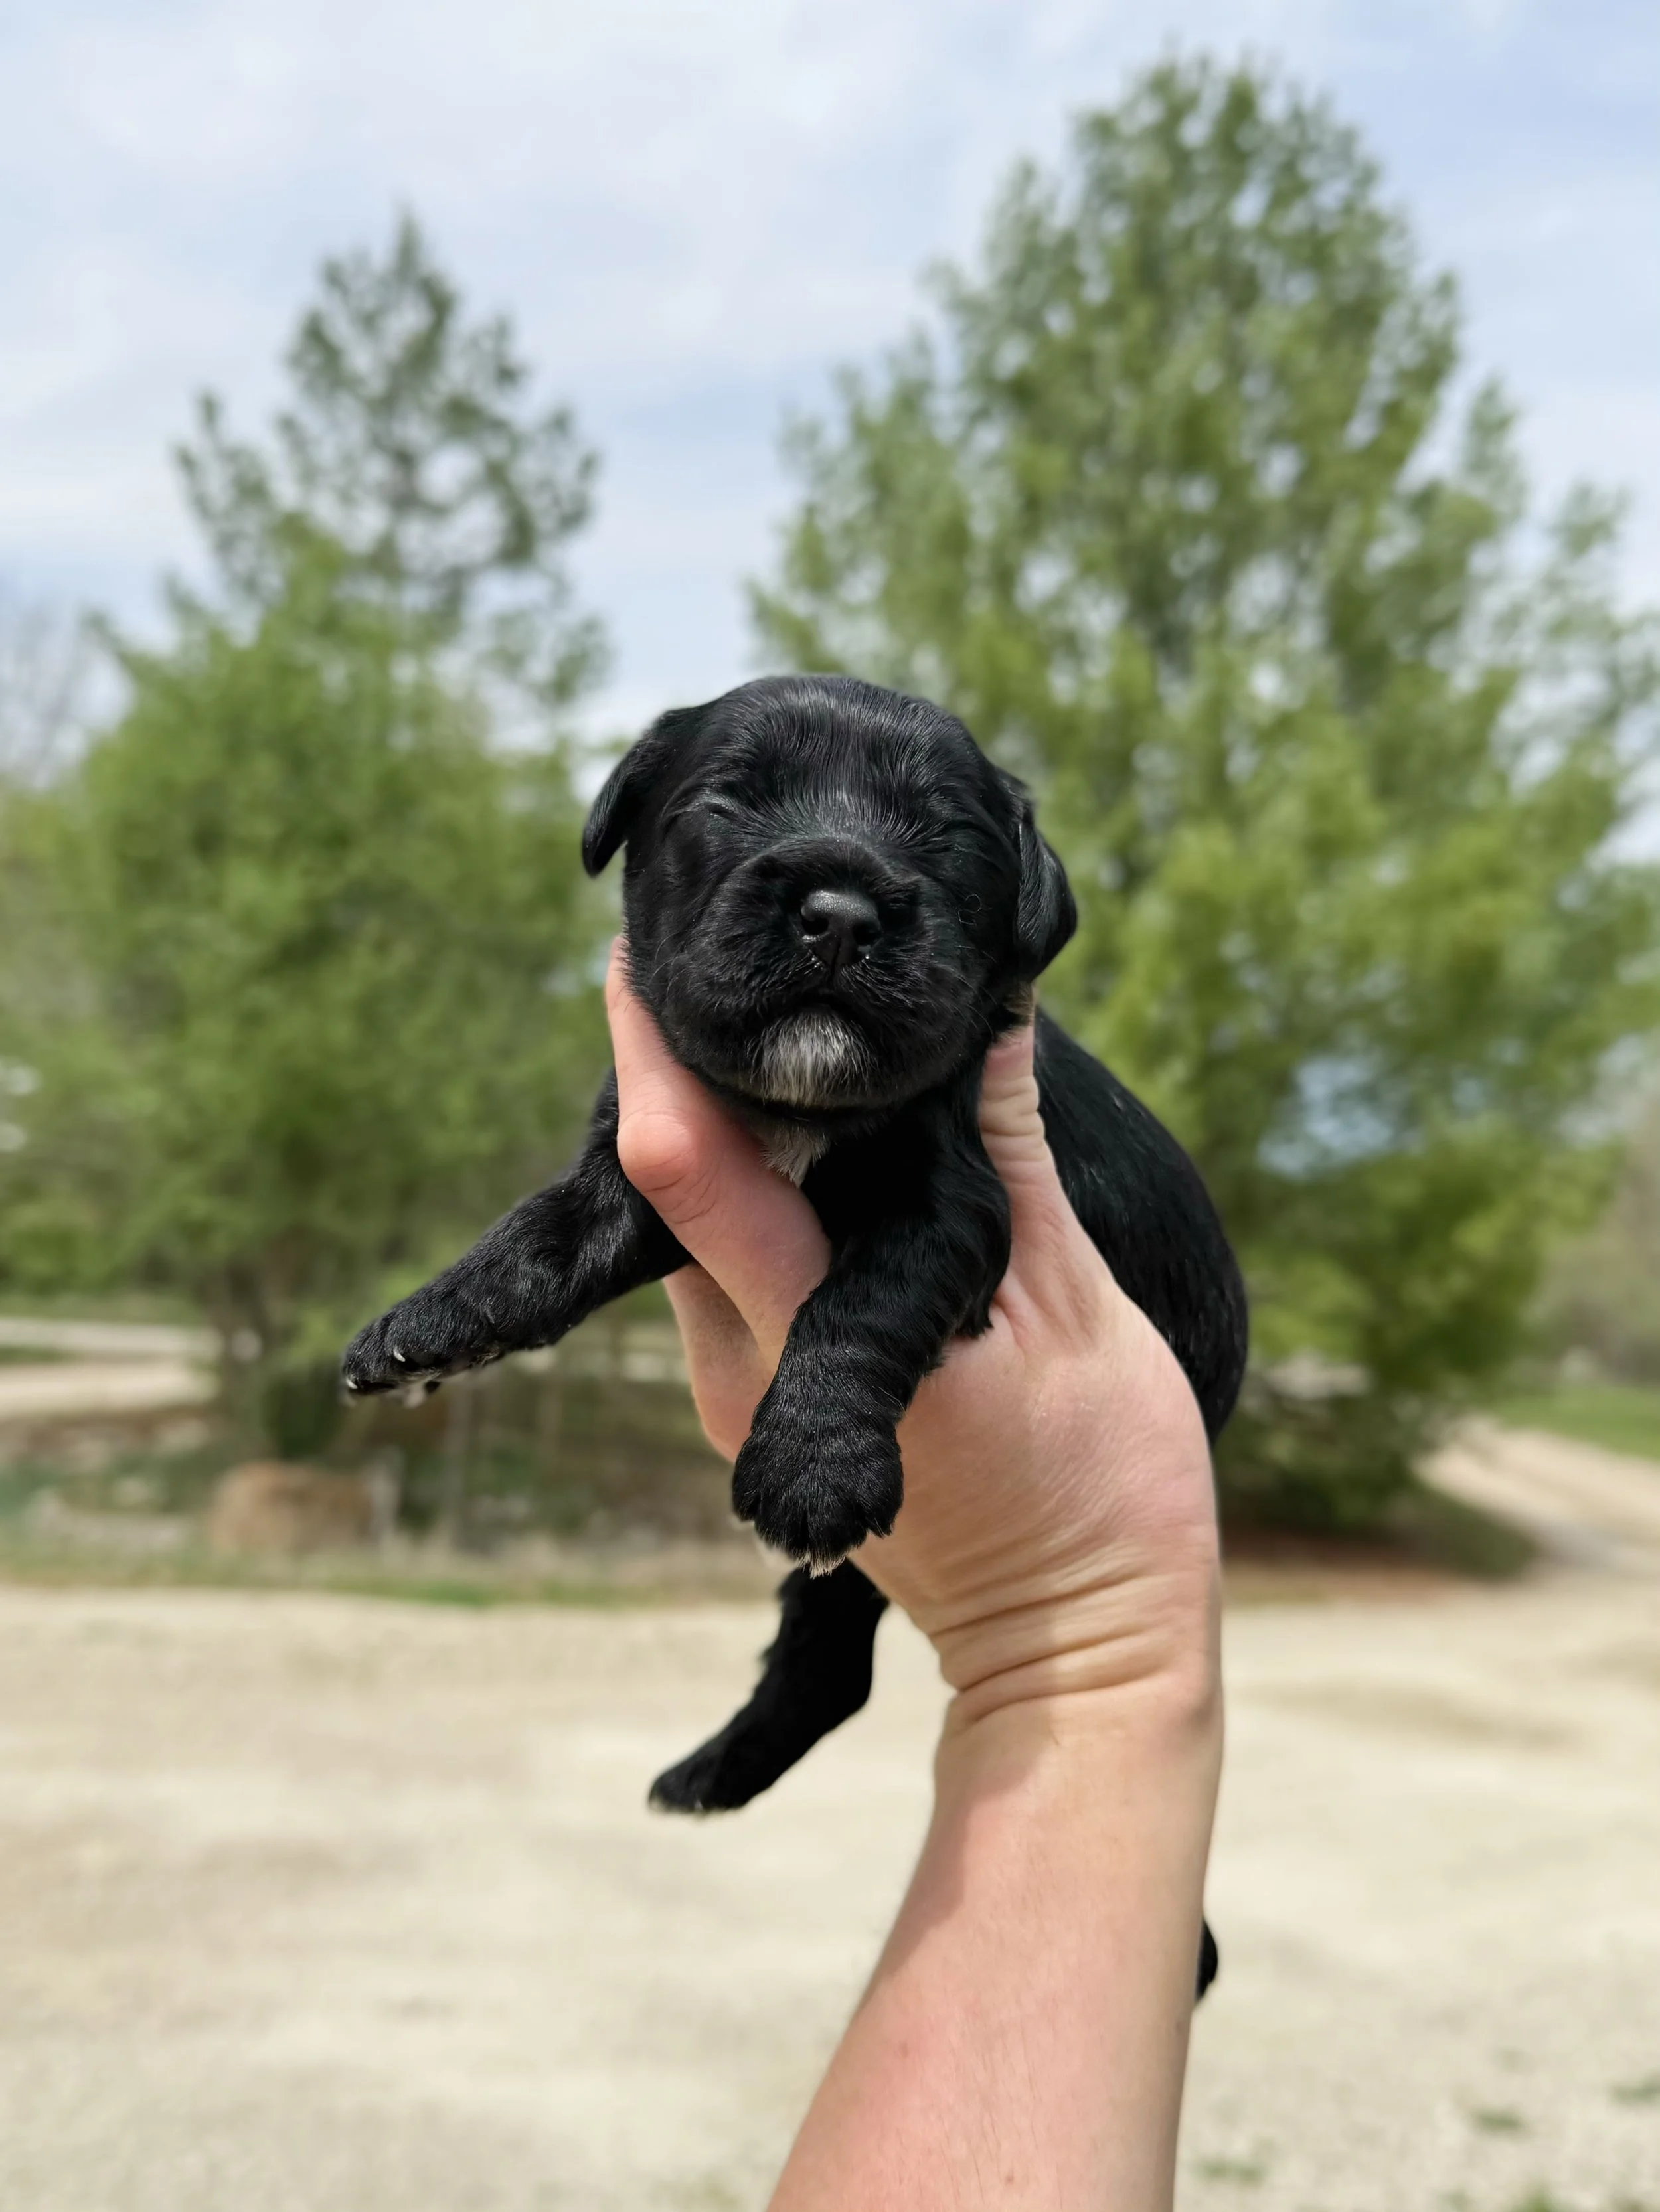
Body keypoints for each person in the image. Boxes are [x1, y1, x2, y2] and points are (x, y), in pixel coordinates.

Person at [606, 945, 1224, 2210]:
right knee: (840, 1516)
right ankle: (824, 1671)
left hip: (1140, 1333)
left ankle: (822, 1673)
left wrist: (1073, 1624)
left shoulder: (940, 1075)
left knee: (843, 1484)